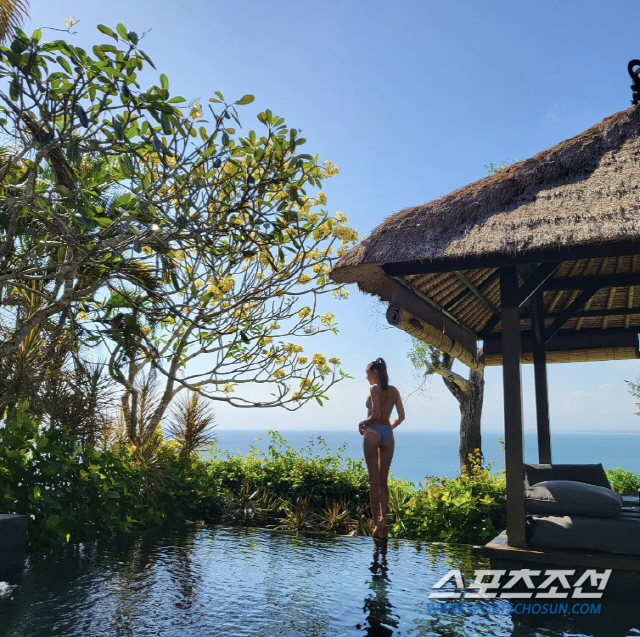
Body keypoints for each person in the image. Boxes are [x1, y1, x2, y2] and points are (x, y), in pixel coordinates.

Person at [359, 358, 405, 539]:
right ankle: (384, 520)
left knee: (374, 481)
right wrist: (388, 429)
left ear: (375, 373)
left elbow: (376, 414)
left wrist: (362, 422)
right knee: (383, 482)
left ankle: (376, 524)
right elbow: (401, 416)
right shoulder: (394, 391)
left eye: (367, 373)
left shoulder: (374, 389)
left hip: (372, 432)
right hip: (388, 435)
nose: (366, 377)